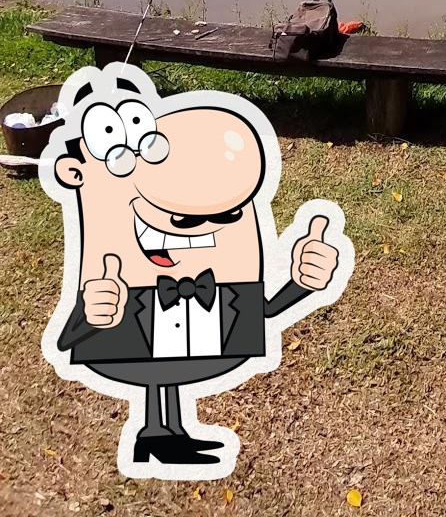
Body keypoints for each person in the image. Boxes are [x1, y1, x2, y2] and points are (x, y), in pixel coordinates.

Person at [42, 62, 352, 478]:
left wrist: (301, 282)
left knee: (167, 373)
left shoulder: (223, 285)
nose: (197, 224)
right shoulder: (114, 283)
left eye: (225, 216)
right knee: (153, 370)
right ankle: (156, 432)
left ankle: (167, 432)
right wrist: (94, 314)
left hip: (197, 332)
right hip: (133, 336)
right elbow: (70, 337)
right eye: (186, 219)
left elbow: (264, 312)